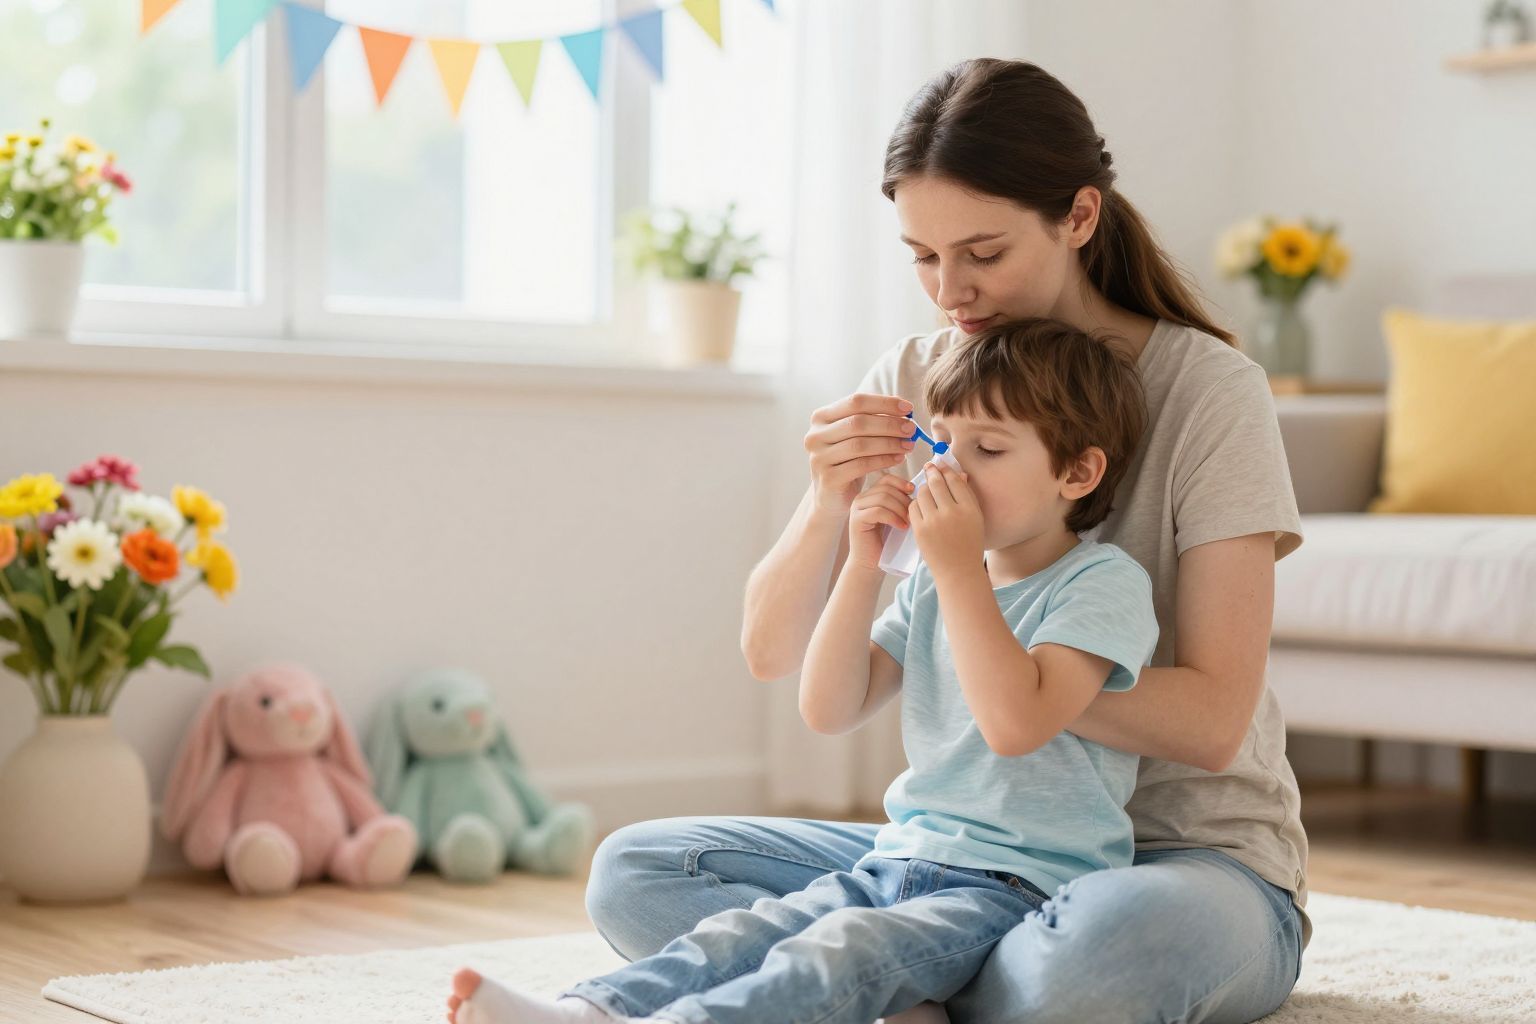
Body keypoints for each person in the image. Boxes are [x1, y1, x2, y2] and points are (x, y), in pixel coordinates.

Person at [598, 57, 1306, 1024]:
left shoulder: (1209, 393)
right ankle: (923, 968)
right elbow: (778, 658)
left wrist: (1007, 671)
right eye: (923, 256)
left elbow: (1215, 722)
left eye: (982, 253)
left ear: (1081, 217)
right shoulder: (920, 372)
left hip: (1185, 865)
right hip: (953, 852)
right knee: (641, 871)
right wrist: (827, 505)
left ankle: (905, 976)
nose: (951, 294)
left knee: (1089, 969)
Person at [446, 318, 1160, 1024]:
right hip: (897, 860)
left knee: (839, 951)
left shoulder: (1100, 583)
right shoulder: (938, 578)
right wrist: (863, 564)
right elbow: (829, 706)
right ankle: (589, 1011)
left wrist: (953, 568)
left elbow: (1016, 723)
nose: (948, 468)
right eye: (943, 441)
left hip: (1018, 887)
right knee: (754, 933)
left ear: (1078, 472)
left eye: (989, 449)